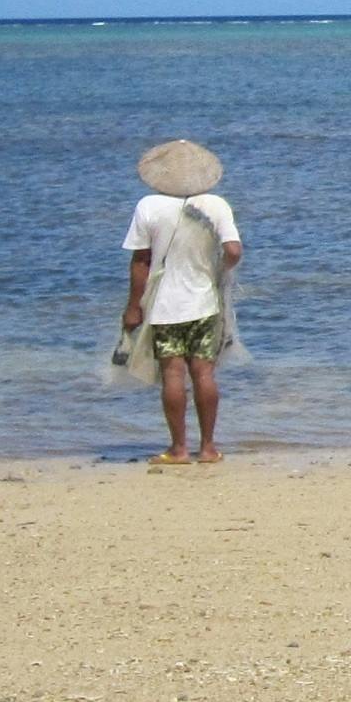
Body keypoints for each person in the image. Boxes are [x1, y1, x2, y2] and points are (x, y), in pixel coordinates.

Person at [119, 138, 244, 465]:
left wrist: (133, 306)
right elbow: (233, 251)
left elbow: (141, 262)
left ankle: (178, 449)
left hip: (163, 306)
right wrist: (218, 271)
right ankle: (208, 448)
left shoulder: (148, 206)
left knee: (172, 374)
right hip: (205, 304)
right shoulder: (216, 205)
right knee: (204, 373)